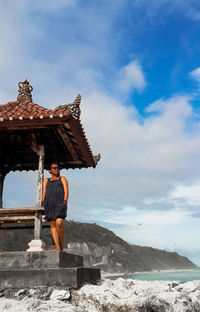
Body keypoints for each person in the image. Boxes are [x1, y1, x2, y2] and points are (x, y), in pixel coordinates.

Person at [42, 163, 69, 250]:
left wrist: (64, 201)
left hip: (60, 204)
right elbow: (44, 193)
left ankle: (61, 245)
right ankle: (57, 247)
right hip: (49, 204)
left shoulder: (62, 178)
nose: (57, 169)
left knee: (59, 222)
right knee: (53, 224)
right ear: (50, 171)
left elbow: (66, 190)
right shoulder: (46, 180)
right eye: (54, 168)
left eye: (58, 168)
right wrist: (42, 203)